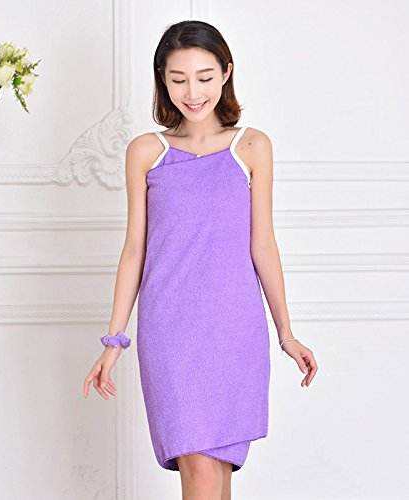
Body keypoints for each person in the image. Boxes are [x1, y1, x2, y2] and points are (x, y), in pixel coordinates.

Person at [83, 20, 318, 499]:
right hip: (170, 330)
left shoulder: (252, 147)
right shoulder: (146, 152)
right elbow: (135, 249)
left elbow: (263, 245)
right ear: (162, 80)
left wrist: (286, 333)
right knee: (200, 472)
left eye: (205, 77)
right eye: (179, 79)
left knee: (216, 473)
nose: (192, 93)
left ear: (226, 73)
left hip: (233, 329)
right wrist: (114, 340)